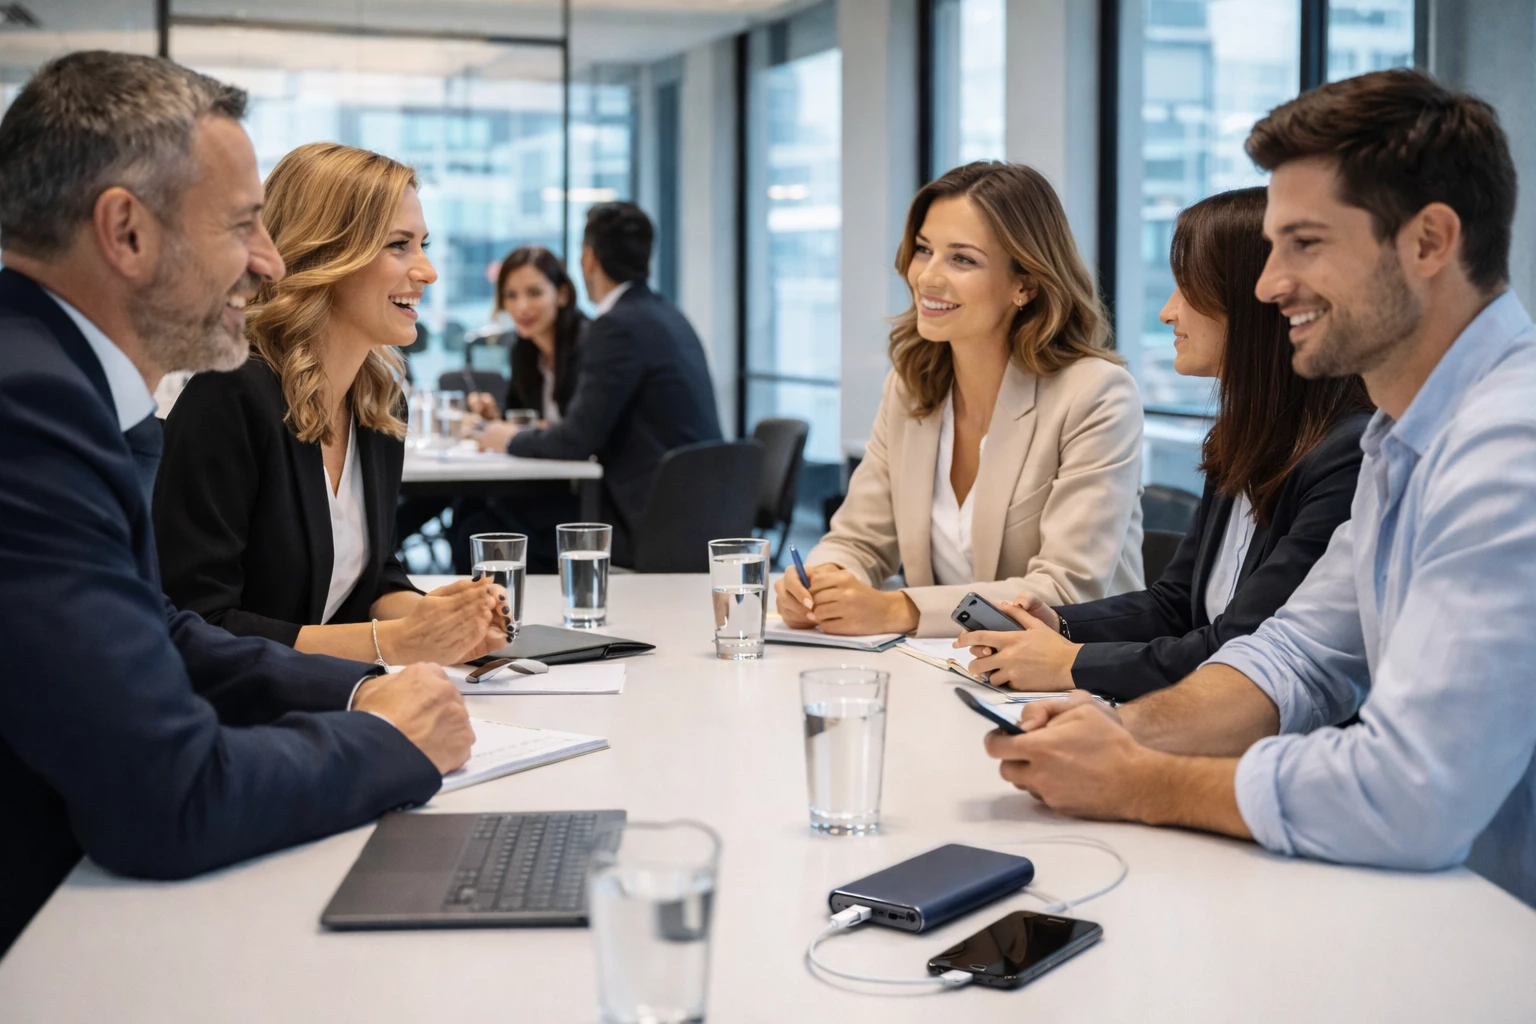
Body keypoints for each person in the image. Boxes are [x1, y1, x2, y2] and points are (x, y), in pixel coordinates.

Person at [983, 69, 1536, 907]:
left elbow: (1409, 791)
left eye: (1305, 244)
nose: (1270, 285)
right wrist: (1117, 729)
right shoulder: (1404, 435)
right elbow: (1297, 654)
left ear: (1429, 242)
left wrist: (1139, 779)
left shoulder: (1510, 447)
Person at [0, 51, 475, 954]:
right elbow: (168, 796)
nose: (267, 263)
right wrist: (390, 742)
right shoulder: (30, 410)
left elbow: (163, 630)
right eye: (243, 227)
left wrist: (366, 688)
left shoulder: (74, 392)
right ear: (126, 232)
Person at [957, 188, 1372, 700]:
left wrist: (1072, 664)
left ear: (1252, 301)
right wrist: (1061, 626)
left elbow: (1238, 647)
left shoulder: (1345, 457)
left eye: (1186, 288)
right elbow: (1175, 604)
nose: (1167, 312)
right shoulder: (1243, 437)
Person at [153, 142, 506, 666]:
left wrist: (441, 620)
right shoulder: (230, 395)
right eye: (399, 245)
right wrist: (396, 643)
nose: (428, 271)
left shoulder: (379, 403)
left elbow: (371, 578)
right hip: (234, 716)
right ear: (327, 255)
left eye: (423, 244)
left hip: (322, 697)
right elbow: (198, 625)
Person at [775, 161, 1145, 639]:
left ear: (1025, 284)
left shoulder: (1095, 394)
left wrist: (901, 610)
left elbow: (1066, 588)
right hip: (948, 671)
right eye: (924, 250)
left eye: (962, 259)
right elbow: (858, 539)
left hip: (1075, 686)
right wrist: (820, 583)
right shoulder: (911, 386)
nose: (927, 277)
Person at [473, 203, 721, 566]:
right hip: (696, 506)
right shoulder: (666, 313)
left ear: (588, 259)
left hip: (643, 514)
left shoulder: (616, 326)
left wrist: (506, 437)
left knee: (481, 522)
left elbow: (577, 438)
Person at [467, 245, 587, 425]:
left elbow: (583, 430)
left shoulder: (590, 344)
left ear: (562, 295)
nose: (521, 307)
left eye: (534, 293)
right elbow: (518, 420)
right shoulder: (523, 350)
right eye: (511, 295)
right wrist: (494, 415)